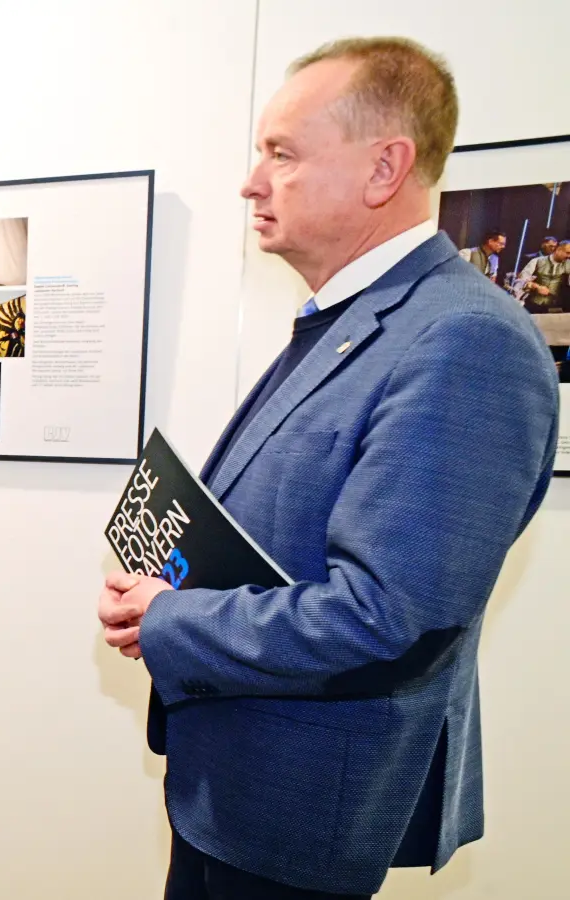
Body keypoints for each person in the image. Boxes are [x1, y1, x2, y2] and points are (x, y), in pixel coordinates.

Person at [97, 37, 557, 899]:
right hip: (234, 789)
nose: (251, 180)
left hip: (298, 817)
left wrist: (171, 622)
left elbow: (388, 617)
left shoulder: (466, 340)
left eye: (283, 153)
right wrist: (158, 590)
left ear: (385, 167)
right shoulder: (354, 317)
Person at [517, 238, 570, 312]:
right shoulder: (536, 261)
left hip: (555, 308)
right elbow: (520, 281)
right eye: (567, 253)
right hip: (532, 305)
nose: (569, 256)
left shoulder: (568, 264)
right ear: (558, 250)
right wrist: (537, 287)